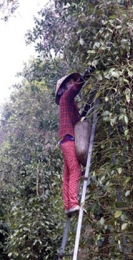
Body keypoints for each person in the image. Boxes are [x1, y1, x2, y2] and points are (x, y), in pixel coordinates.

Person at [55, 69, 93, 215]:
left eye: (72, 82)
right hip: (67, 139)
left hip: (66, 140)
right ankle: (73, 202)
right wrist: (87, 74)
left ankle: (67, 205)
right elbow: (76, 88)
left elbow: (78, 120)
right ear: (64, 88)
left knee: (67, 174)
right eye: (69, 83)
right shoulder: (65, 97)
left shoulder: (70, 104)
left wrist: (86, 111)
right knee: (76, 170)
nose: (72, 84)